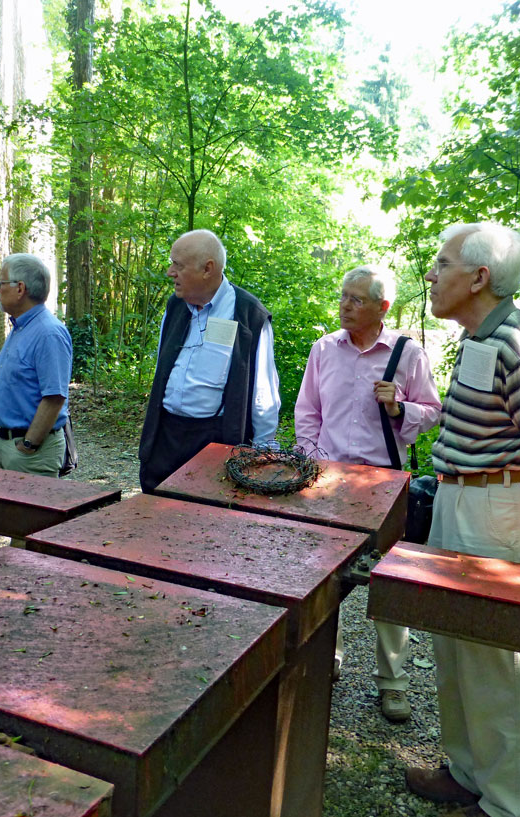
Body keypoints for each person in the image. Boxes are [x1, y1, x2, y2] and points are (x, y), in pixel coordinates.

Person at [405, 223, 520, 817]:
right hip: (461, 503)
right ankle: (465, 773)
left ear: (479, 277)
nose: (431, 274)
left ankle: (508, 805)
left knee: (498, 669)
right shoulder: (480, 337)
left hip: (497, 513)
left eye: (442, 263)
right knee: (456, 649)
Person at [295, 265, 442, 722]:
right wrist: (312, 465)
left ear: (383, 307)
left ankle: (393, 682)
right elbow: (307, 413)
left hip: (386, 484)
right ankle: (327, 661)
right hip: (329, 482)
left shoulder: (407, 353)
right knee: (323, 579)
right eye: (343, 297)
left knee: (390, 586)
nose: (345, 306)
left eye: (356, 300)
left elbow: (433, 412)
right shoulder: (324, 349)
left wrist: (400, 408)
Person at [139, 229, 281, 492]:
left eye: (178, 265)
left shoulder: (249, 316)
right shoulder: (175, 307)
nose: (170, 272)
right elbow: (162, 370)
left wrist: (261, 455)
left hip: (215, 443)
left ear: (207, 269)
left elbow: (263, 394)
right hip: (165, 441)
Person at [0, 253, 73, 477]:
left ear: (20, 288)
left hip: (29, 453)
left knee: (29, 513)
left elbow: (54, 397)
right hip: (8, 444)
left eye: (1, 283)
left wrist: (29, 445)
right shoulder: (22, 327)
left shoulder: (48, 333)